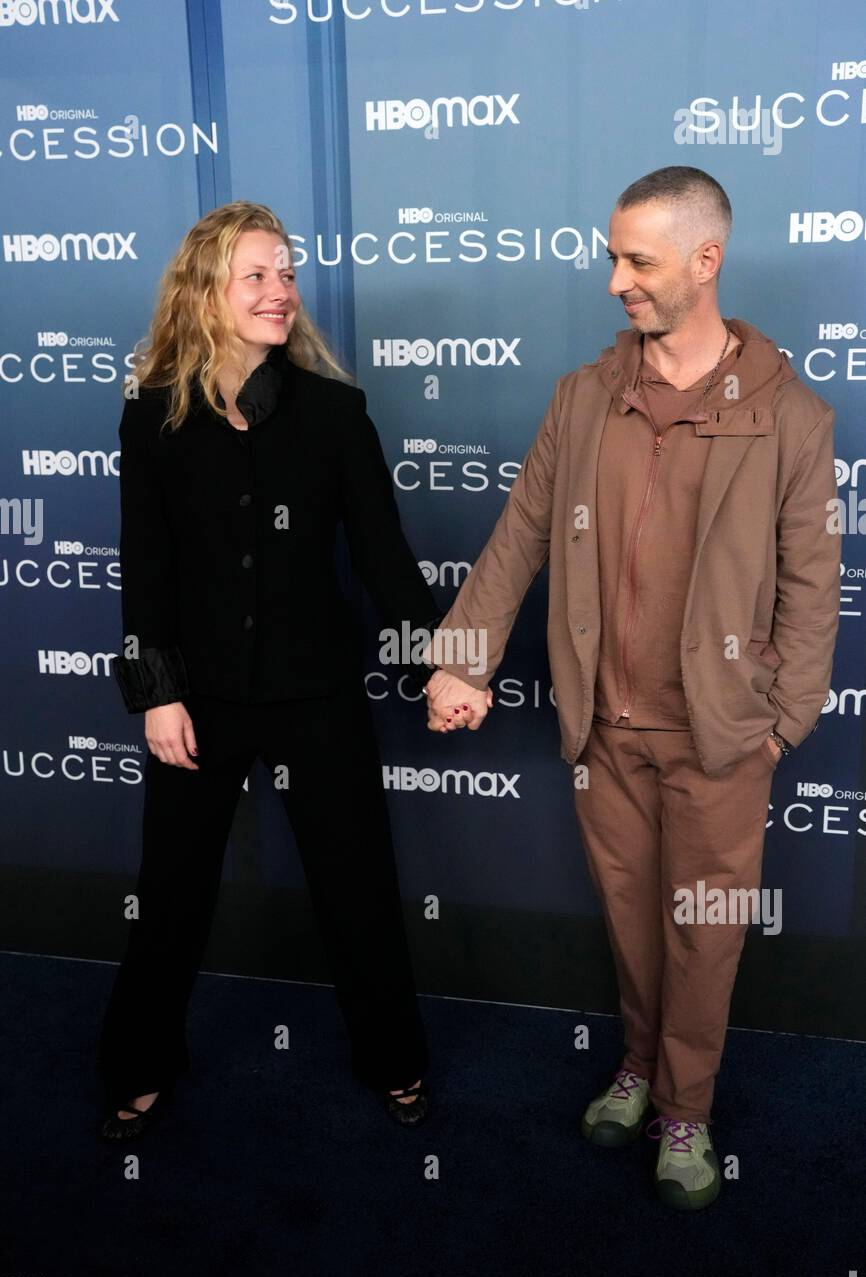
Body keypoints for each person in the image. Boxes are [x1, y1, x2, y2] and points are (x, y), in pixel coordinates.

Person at [421, 166, 840, 1209]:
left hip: (720, 738)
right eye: (610, 256)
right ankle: (640, 1064)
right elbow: (520, 536)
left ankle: (684, 1108)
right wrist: (462, 656)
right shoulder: (582, 398)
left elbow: (812, 584)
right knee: (630, 921)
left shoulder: (791, 418)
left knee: (702, 934)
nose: (614, 280)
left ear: (705, 262)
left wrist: (777, 721)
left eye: (637, 260)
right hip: (603, 733)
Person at [99, 200, 441, 1140]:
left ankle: (395, 1063)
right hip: (197, 699)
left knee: (358, 889)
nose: (280, 290)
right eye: (256, 275)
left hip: (316, 694)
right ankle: (138, 1066)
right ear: (205, 292)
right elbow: (147, 571)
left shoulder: (335, 413)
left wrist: (438, 667)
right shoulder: (152, 418)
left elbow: (385, 562)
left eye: (286, 273)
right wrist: (156, 693)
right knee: (169, 894)